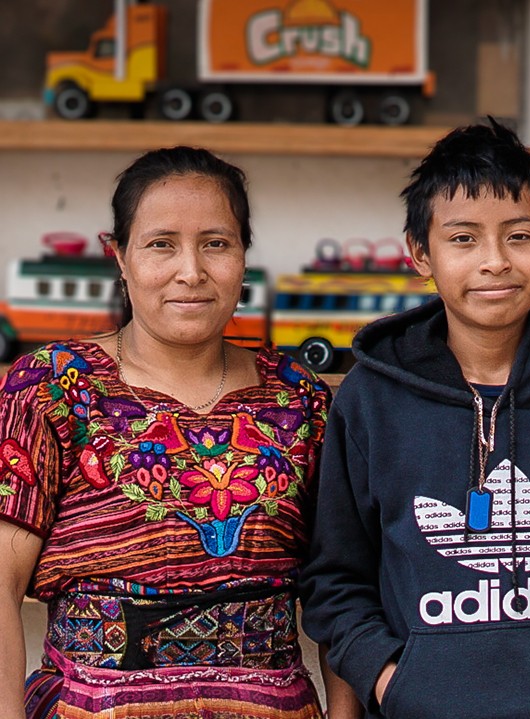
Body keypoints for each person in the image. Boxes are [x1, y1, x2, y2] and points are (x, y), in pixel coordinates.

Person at [298, 119, 530, 719]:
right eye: (463, 239)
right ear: (420, 253)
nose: (494, 262)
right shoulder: (370, 399)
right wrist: (392, 682)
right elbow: (337, 578)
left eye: (519, 236)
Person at [0, 146, 331, 719]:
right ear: (120, 256)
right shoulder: (52, 387)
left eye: (216, 243)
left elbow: (341, 589)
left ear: (244, 256)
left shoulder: (297, 397)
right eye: (161, 244)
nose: (191, 271)